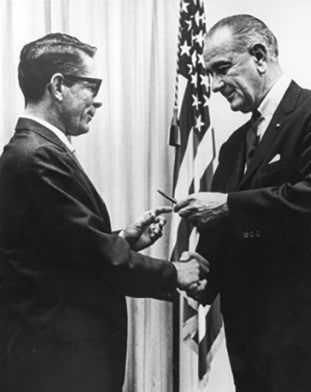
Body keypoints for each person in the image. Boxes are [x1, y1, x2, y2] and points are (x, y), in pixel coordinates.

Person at [0, 33, 209, 392]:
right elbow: (97, 260)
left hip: (58, 353)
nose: (98, 100)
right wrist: (177, 271)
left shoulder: (37, 150)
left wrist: (123, 239)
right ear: (58, 86)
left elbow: (64, 251)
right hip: (58, 362)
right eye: (92, 86)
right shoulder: (37, 157)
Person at [175, 14, 311, 392]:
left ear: (259, 55)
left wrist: (229, 206)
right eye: (211, 73)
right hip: (251, 338)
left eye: (222, 69)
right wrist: (203, 269)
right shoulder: (234, 145)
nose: (216, 85)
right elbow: (222, 231)